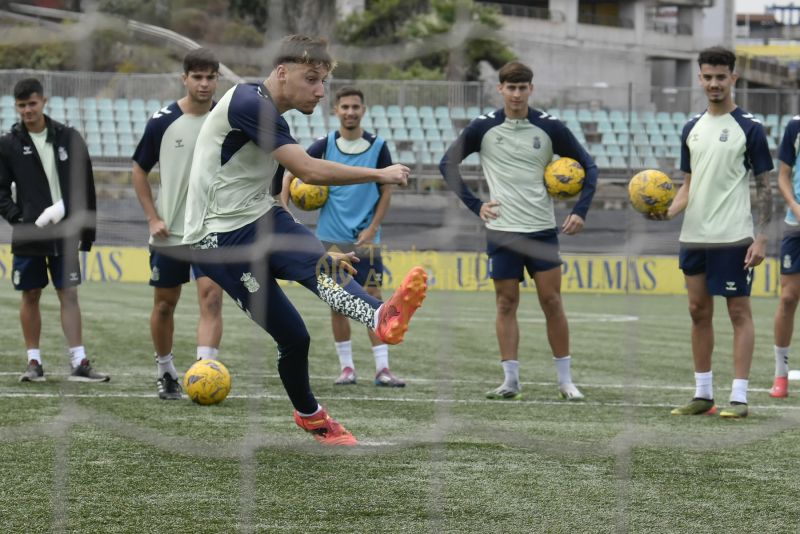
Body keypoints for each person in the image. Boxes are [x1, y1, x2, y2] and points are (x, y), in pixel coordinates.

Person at [183, 35, 427, 446]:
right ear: (282, 72)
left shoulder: (272, 118)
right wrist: (379, 174)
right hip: (218, 240)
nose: (319, 90)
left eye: (323, 83)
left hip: (262, 219)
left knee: (323, 267)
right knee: (294, 336)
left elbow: (275, 189)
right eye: (311, 79)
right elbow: (308, 171)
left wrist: (303, 242)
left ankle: (381, 317)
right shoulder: (248, 103)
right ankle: (311, 416)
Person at [439, 61, 597, 401]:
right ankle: (510, 380)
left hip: (541, 229)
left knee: (552, 301)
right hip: (501, 231)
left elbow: (590, 166)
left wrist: (580, 211)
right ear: (500, 89)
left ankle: (566, 381)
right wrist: (475, 204)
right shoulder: (483, 127)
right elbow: (446, 164)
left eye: (522, 87)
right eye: (510, 87)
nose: (516, 94)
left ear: (530, 89)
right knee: (505, 303)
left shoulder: (549, 127)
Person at [665, 47, 773, 419]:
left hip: (734, 237)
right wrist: (667, 210)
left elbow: (765, 188)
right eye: (707, 77)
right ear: (700, 78)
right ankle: (703, 394)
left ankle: (739, 398)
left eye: (720, 77)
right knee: (698, 311)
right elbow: (687, 184)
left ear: (733, 79)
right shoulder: (690, 128)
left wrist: (761, 237)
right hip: (694, 236)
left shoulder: (750, 128)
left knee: (739, 313)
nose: (714, 83)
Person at [282, 86, 404, 387]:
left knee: (374, 297)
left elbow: (386, 188)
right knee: (337, 302)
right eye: (345, 107)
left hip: (366, 240)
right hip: (330, 238)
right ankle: (347, 367)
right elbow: (289, 172)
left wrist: (374, 226)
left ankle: (382, 369)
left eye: (355, 107)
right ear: (336, 110)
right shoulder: (324, 144)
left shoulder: (378, 146)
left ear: (363, 110)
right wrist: (283, 207)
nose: (350, 112)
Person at [0, 78, 109, 383]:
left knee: (69, 294)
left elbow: (84, 185)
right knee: (30, 295)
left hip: (64, 234)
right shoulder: (8, 144)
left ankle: (79, 361)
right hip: (28, 234)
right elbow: (0, 192)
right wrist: (18, 219)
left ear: (44, 101)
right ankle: (33, 362)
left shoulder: (68, 138)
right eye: (21, 106)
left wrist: (85, 232)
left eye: (32, 104)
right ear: (16, 107)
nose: (27, 110)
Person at [132, 48, 225, 400]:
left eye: (210, 77)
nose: (204, 84)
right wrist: (153, 217)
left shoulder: (228, 119)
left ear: (218, 79)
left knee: (212, 298)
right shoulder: (162, 121)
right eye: (197, 77)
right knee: (164, 305)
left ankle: (205, 373)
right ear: (184, 79)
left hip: (212, 231)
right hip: (170, 232)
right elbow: (138, 170)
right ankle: (165, 371)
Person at [769, 115, 800, 398]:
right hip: (796, 225)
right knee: (788, 298)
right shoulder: (795, 125)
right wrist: (795, 205)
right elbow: (783, 176)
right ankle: (780, 375)